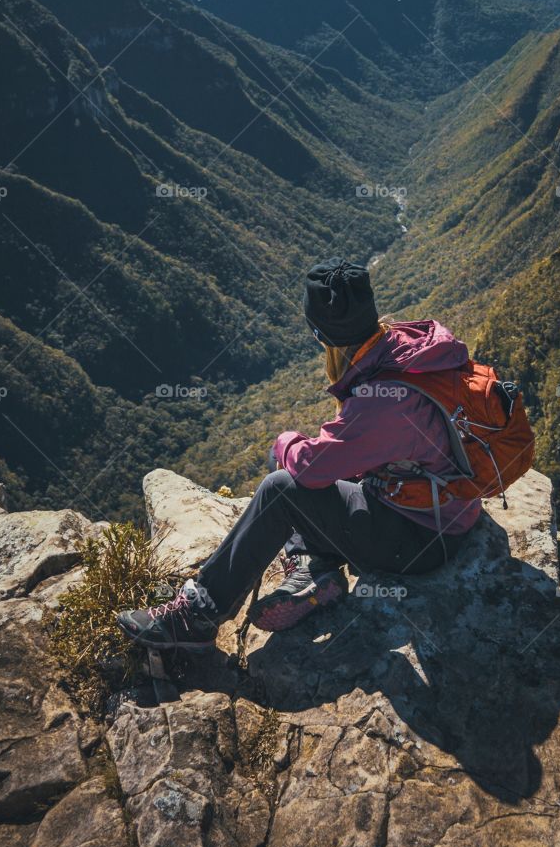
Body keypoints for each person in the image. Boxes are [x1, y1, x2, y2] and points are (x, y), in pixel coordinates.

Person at [118, 257, 481, 651]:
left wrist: (285, 441)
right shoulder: (410, 348)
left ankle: (198, 615)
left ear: (320, 335)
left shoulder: (383, 403)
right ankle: (313, 569)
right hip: (440, 506)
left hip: (420, 539)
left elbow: (312, 470)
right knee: (295, 462)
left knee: (282, 483)